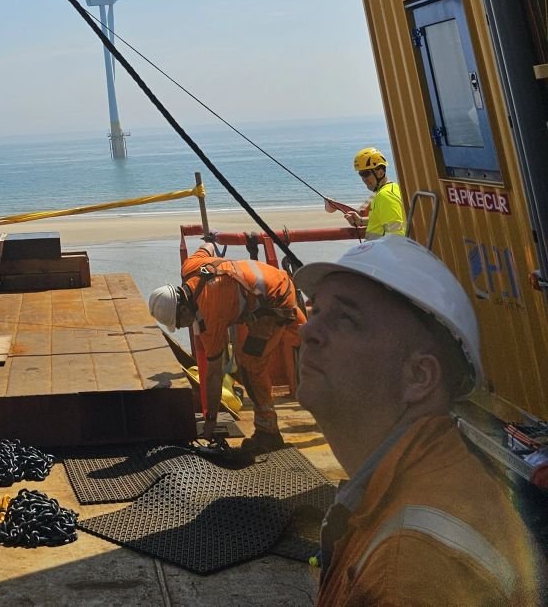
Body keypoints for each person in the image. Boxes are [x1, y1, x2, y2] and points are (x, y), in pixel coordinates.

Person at [296, 235, 542, 605]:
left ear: (419, 377)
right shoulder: (424, 475)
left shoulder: (409, 570)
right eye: (316, 312)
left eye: (345, 319)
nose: (307, 330)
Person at [149, 241, 302, 449]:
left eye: (181, 323)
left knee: (250, 366)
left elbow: (214, 373)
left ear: (184, 310)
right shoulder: (190, 267)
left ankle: (269, 433)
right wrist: (211, 240)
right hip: (274, 281)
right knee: (310, 339)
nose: (185, 327)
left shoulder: (210, 315)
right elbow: (209, 246)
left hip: (275, 301)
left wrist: (211, 420)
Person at [327, 147, 406, 238]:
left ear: (380, 172)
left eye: (366, 174)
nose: (364, 179)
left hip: (380, 250)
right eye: (361, 174)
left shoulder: (385, 196)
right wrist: (361, 221)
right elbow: (383, 220)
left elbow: (396, 235)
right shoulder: (391, 189)